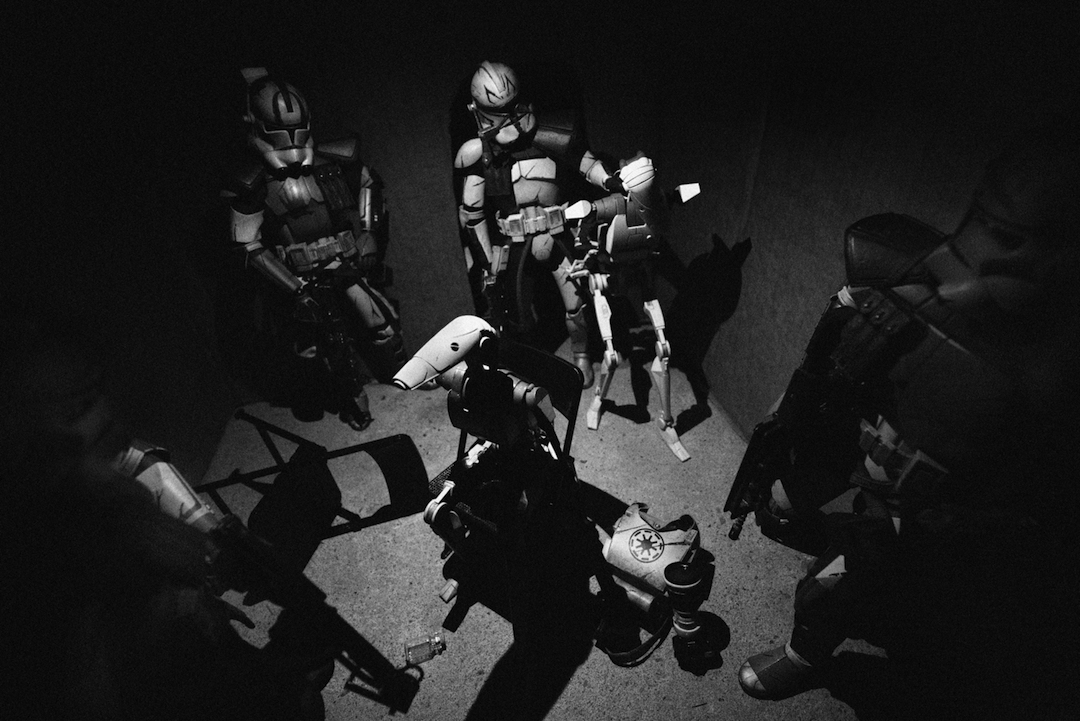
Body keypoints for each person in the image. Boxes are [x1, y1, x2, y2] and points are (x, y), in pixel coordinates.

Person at [731, 121, 1080, 717]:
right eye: (988, 224)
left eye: (1012, 236)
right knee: (795, 525)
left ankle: (816, 653)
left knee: (856, 596)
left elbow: (1044, 499)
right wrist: (793, 430)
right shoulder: (903, 279)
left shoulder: (1054, 370)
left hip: (952, 518)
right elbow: (829, 376)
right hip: (875, 463)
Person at [0, 315, 329, 721]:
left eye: (95, 393)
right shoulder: (50, 575)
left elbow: (139, 473)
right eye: (78, 407)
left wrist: (214, 578)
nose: (106, 416)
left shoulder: (101, 494)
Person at [224, 67, 404, 430]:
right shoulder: (252, 184)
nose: (290, 144)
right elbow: (247, 245)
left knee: (380, 322)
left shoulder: (331, 163)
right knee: (311, 350)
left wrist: (369, 234)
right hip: (300, 282)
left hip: (343, 264)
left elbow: (368, 183)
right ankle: (338, 397)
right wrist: (294, 289)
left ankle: (404, 376)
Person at [453, 60, 628, 387]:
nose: (509, 121)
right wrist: (486, 261)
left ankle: (581, 355)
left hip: (557, 233)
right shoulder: (478, 154)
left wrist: (610, 180)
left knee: (576, 303)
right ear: (478, 112)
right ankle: (530, 364)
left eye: (512, 109)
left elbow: (585, 162)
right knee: (516, 313)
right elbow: (472, 213)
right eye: (498, 113)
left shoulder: (550, 134)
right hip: (514, 243)